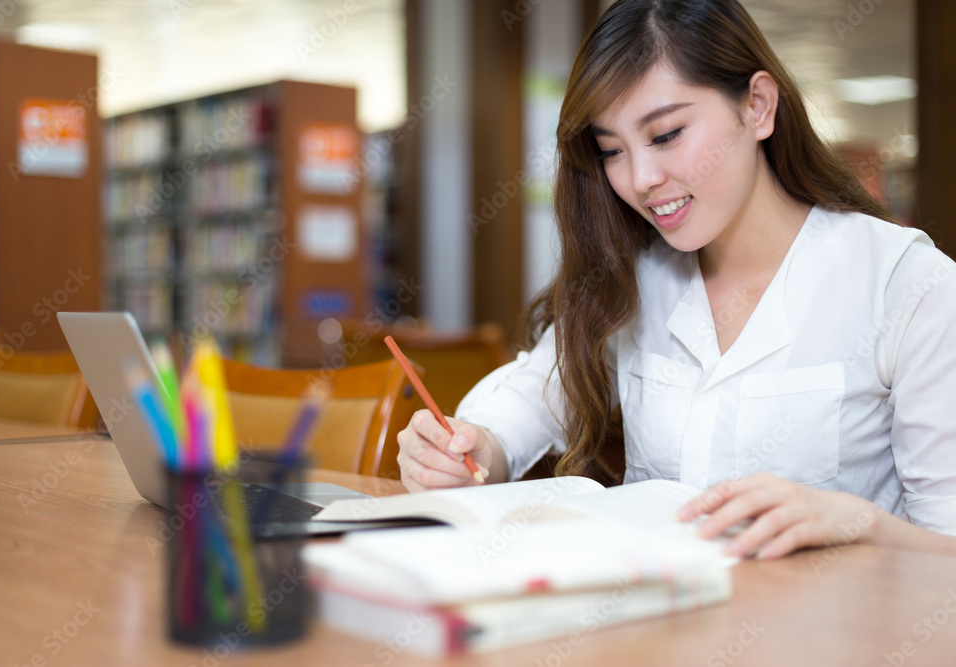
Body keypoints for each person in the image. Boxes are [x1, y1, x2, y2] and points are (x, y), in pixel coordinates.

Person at [397, 0, 956, 559]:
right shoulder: (634, 276)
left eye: (665, 135)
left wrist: (854, 520)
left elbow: (947, 546)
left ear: (758, 107)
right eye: (612, 150)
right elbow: (526, 399)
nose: (641, 179)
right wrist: (467, 453)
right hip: (659, 627)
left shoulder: (905, 284)